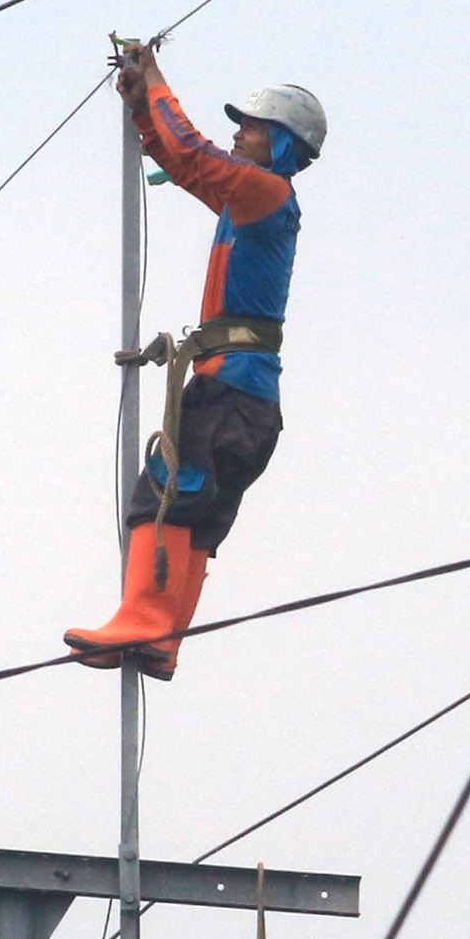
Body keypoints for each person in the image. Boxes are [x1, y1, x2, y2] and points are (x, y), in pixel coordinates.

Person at [66, 38, 327, 677]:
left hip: (229, 388)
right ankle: (161, 638)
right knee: (198, 515)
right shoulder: (255, 201)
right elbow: (187, 166)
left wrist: (154, 79)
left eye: (253, 128)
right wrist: (141, 111)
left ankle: (144, 620)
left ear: (281, 143)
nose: (239, 135)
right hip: (248, 398)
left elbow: (193, 151)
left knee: (164, 494)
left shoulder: (264, 192)